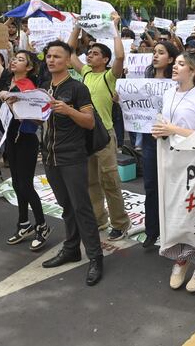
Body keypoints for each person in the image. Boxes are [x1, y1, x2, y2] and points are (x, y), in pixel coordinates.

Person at [39, 40, 104, 286]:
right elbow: (40, 120)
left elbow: (89, 122)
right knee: (66, 206)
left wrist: (68, 110)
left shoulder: (77, 88)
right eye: (48, 56)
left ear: (68, 61)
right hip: (50, 155)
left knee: (81, 207)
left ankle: (96, 257)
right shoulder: (44, 87)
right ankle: (71, 249)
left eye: (57, 56)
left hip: (72, 156)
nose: (51, 59)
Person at [151, 52, 195, 293]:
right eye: (175, 63)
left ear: (194, 71)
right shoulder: (168, 93)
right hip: (170, 161)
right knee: (172, 212)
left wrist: (172, 129)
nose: (175, 68)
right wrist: (160, 131)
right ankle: (180, 258)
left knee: (191, 212)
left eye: (181, 64)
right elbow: (166, 126)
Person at [0, 22, 51, 251]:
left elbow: (33, 114)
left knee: (25, 184)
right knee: (17, 184)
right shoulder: (7, 79)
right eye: (14, 58)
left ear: (29, 67)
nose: (14, 61)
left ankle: (42, 225)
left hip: (25, 140)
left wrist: (11, 98)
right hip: (10, 138)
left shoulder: (28, 86)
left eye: (20, 59)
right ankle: (24, 223)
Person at [67, 13, 132, 241]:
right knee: (91, 182)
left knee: (110, 182)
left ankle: (120, 223)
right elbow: (69, 52)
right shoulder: (84, 73)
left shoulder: (109, 76)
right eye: (89, 53)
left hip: (104, 135)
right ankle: (99, 219)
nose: (89, 56)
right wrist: (77, 26)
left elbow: (121, 56)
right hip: (85, 136)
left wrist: (114, 27)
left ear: (105, 59)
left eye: (95, 54)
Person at [140, 40, 179, 248]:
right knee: (151, 186)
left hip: (172, 141)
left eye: (161, 53)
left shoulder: (178, 84)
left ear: (171, 59)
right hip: (150, 139)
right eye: (154, 52)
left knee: (172, 187)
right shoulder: (144, 82)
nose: (155, 56)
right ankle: (151, 230)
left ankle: (172, 230)